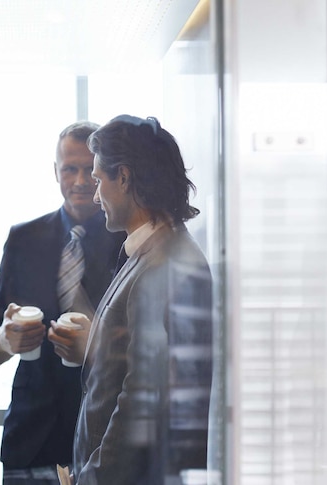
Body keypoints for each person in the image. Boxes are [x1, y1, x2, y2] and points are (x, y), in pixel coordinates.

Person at [72, 115, 213, 485]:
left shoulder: (166, 264)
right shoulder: (151, 253)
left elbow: (139, 404)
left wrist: (91, 480)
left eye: (99, 179)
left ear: (124, 177)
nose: (95, 192)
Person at [0, 121, 126, 484]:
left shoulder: (127, 243)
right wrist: (5, 339)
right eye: (69, 169)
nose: (79, 180)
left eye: (87, 169)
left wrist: (96, 342)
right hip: (30, 436)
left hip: (103, 431)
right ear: (55, 171)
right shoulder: (23, 238)